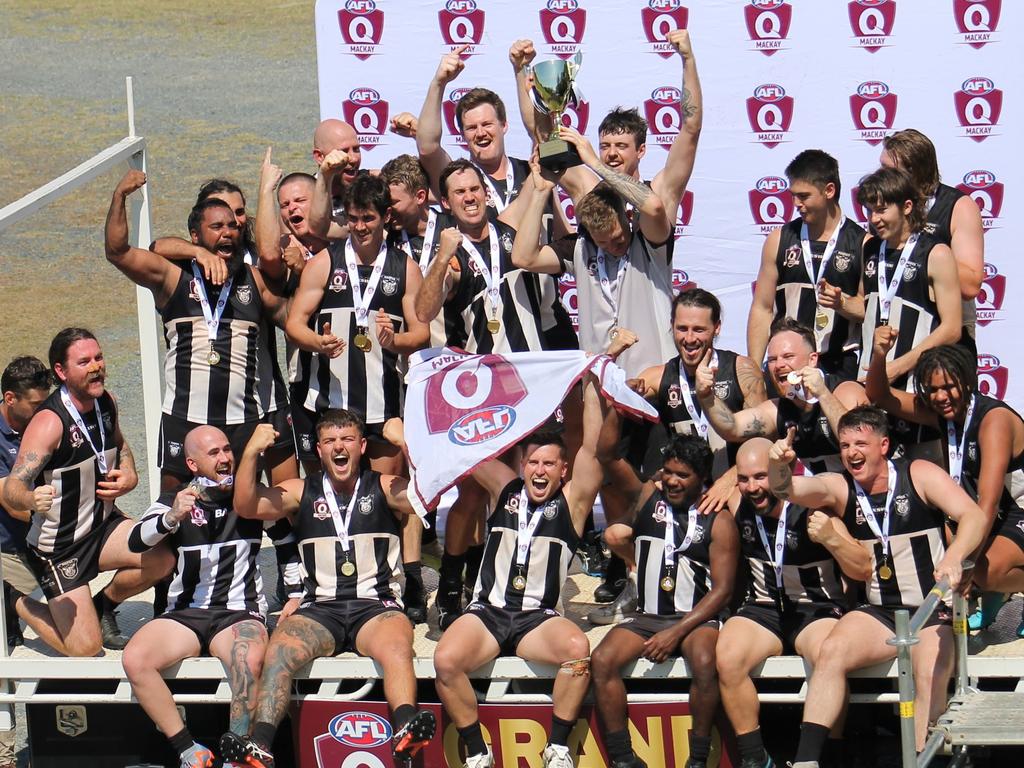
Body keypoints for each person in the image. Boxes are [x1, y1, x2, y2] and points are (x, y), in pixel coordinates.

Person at [767, 406, 989, 760]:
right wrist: (779, 465)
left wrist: (954, 555)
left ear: (884, 445)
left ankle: (919, 758)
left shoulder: (919, 473)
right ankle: (807, 759)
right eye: (844, 445)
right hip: (881, 613)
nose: (851, 452)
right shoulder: (841, 486)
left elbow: (973, 516)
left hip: (933, 611)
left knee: (929, 674)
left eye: (860, 443)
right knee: (832, 651)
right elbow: (788, 490)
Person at [219, 413, 435, 768]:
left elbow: (428, 498)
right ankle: (260, 745)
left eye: (348, 440)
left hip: (375, 607)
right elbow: (246, 505)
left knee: (398, 646)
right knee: (280, 651)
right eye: (331, 442)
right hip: (320, 608)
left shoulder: (382, 485)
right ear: (319, 450)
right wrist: (252, 453)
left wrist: (406, 445)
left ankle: (406, 728)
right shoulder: (301, 490)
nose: (339, 447)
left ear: (362, 447)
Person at [431, 371, 612, 768]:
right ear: (523, 463)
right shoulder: (504, 487)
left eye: (549, 464)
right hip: (488, 614)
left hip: (537, 620)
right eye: (533, 462)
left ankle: (558, 746)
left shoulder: (573, 504)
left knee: (578, 652)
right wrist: (436, 380)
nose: (540, 471)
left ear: (563, 470)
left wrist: (593, 380)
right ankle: (478, 751)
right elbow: (464, 442)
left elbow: (593, 449)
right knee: (445, 660)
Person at [286, 173, 431, 622]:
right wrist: (316, 343)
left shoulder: (404, 266)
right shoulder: (324, 263)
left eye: (368, 219)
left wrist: (397, 341)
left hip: (381, 405)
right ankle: (316, 578)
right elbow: (295, 322)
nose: (360, 228)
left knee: (396, 495)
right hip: (325, 406)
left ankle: (405, 579)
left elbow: (422, 330)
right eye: (352, 219)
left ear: (386, 217)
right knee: (320, 494)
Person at [103, 169, 287, 492]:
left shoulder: (252, 279)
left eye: (232, 225)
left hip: (242, 419)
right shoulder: (173, 276)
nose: (228, 233)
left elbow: (292, 316)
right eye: (216, 227)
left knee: (242, 511)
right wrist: (119, 196)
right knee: (174, 508)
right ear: (195, 235)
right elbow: (118, 252)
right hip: (183, 418)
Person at [1, 329, 173, 654]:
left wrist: (130, 474)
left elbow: (120, 444)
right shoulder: (49, 423)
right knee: (86, 648)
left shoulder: (106, 403)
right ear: (62, 372)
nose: (96, 366)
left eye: (98, 357)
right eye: (84, 362)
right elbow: (12, 488)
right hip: (60, 546)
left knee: (162, 556)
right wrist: (29, 498)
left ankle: (103, 604)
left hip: (103, 529)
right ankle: (16, 601)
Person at [716, 437, 869, 768]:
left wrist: (831, 538)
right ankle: (755, 757)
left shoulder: (814, 510)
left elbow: (864, 567)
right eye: (744, 478)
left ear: (782, 475)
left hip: (815, 610)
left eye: (761, 477)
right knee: (727, 654)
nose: (752, 487)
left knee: (828, 655)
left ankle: (832, 750)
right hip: (763, 609)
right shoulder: (735, 501)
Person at [122, 426, 268, 768]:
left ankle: (238, 755)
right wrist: (171, 517)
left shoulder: (247, 495)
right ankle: (190, 751)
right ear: (192, 463)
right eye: (214, 453)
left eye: (226, 450)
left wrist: (292, 594)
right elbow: (134, 543)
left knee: (247, 662)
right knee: (135, 659)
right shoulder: (174, 499)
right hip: (186, 614)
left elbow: (289, 537)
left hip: (238, 611)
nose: (225, 458)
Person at [590, 433, 739, 768]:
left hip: (696, 617)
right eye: (668, 471)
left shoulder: (719, 518)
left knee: (704, 661)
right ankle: (623, 759)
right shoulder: (647, 498)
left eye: (683, 475)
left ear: (702, 478)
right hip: (647, 617)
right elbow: (608, 454)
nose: (672, 480)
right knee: (601, 660)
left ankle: (698, 758)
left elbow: (723, 591)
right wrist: (612, 402)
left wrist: (676, 633)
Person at [867, 332, 1024, 634]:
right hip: (998, 514)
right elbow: (879, 395)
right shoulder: (943, 413)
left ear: (967, 381)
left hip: (1015, 509)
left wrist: (968, 567)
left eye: (949, 386)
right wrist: (878, 355)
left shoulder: (994, 421)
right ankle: (992, 594)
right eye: (933, 389)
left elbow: (987, 504)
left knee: (981, 570)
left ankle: (994, 588)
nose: (941, 396)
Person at [748, 149, 867, 380]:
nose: (796, 203)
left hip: (838, 365)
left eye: (804, 196)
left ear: (829, 190)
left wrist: (841, 303)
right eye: (793, 195)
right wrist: (753, 371)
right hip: (787, 365)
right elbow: (762, 308)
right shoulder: (779, 239)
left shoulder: (862, 243)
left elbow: (868, 310)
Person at [697, 319, 867, 475]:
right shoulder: (777, 409)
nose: (779, 365)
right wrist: (705, 396)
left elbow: (856, 441)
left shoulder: (845, 391)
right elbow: (732, 428)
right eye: (772, 359)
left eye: (788, 356)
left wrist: (822, 393)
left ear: (812, 360)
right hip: (819, 496)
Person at [854, 166, 962, 392]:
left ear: (907, 206)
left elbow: (952, 328)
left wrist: (898, 366)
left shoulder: (936, 253)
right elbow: (865, 307)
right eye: (869, 211)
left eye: (882, 210)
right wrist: (840, 302)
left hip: (915, 384)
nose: (874, 219)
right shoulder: (869, 248)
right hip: (869, 379)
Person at [880, 129, 984, 356]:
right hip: (896, 327)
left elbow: (971, 284)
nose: (881, 177)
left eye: (889, 171)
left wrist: (918, 247)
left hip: (943, 335)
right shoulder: (884, 209)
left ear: (914, 172)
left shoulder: (958, 207)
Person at [416, 46, 530, 215]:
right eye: (471, 128)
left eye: (487, 124)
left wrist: (521, 70)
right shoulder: (457, 178)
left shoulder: (532, 173)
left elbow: (562, 232)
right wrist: (438, 84)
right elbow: (427, 147)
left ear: (504, 125)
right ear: (462, 135)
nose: (480, 133)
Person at [0, 357, 51, 646]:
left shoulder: (45, 422)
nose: (44, 411)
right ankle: (11, 600)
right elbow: (13, 505)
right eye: (35, 405)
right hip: (12, 549)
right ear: (10, 398)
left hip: (46, 538)